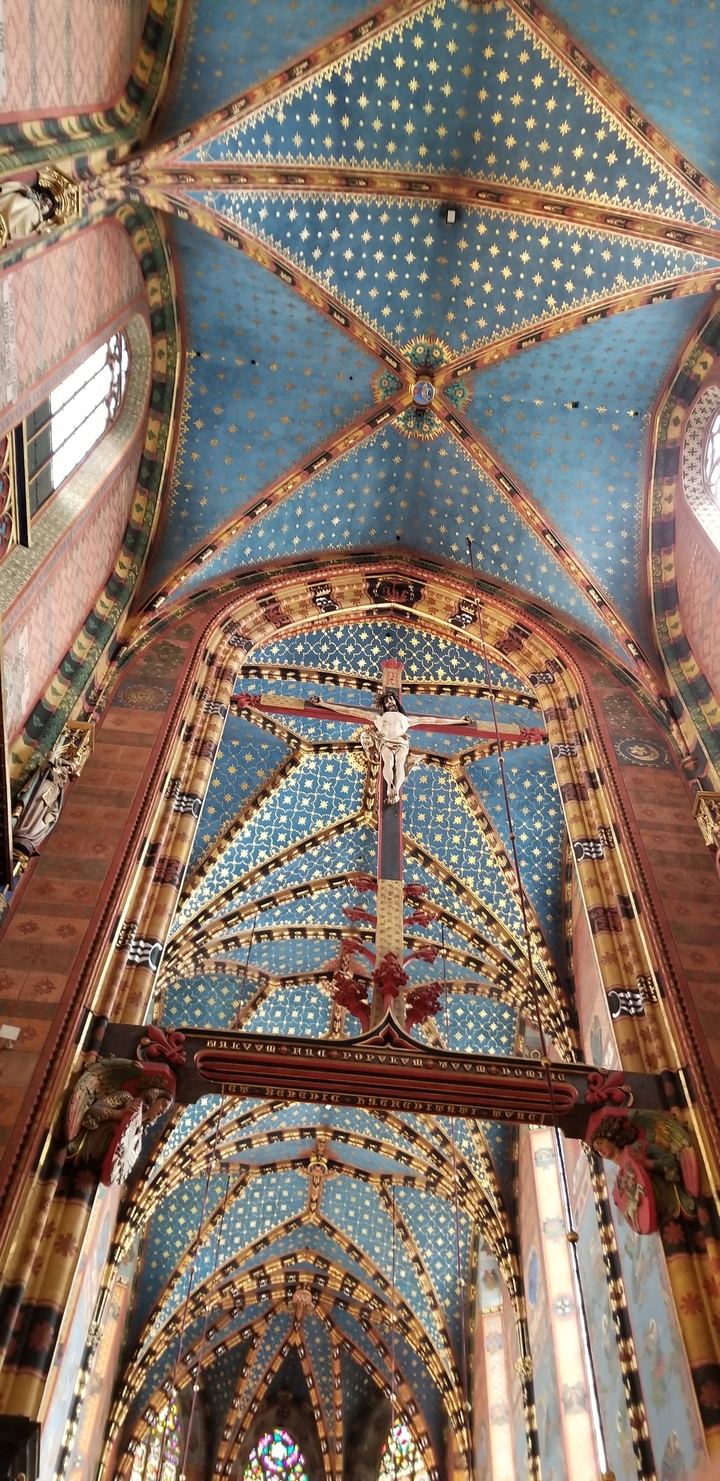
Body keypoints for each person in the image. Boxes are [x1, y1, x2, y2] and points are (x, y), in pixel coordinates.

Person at [313, 689, 476, 804]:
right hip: (385, 741)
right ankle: (390, 787)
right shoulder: (377, 716)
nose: (389, 702)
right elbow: (349, 710)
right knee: (389, 763)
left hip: (401, 742)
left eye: (391, 699)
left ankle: (395, 790)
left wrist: (460, 721)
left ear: (396, 702)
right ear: (383, 705)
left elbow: (436, 720)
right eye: (386, 701)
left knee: (399, 763)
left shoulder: (407, 719)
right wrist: (324, 704)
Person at [0, 179, 56, 246]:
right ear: (40, 198)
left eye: (49, 205)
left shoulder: (38, 223)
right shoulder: (32, 198)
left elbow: (24, 231)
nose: (46, 203)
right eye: (45, 200)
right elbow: (22, 189)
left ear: (47, 213)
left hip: (7, 228)